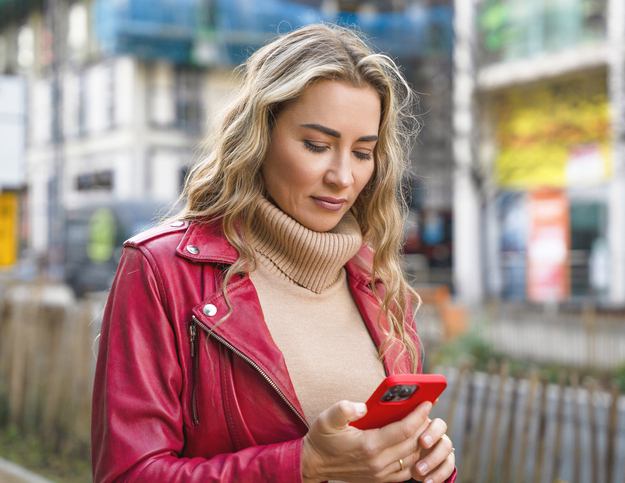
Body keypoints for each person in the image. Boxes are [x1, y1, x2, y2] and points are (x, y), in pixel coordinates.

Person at [92, 23, 457, 483]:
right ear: (260, 135)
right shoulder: (162, 270)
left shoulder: (382, 283)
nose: (343, 176)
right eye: (317, 146)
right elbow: (129, 474)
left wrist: (428, 466)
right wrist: (300, 466)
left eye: (363, 152)